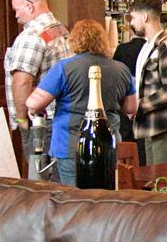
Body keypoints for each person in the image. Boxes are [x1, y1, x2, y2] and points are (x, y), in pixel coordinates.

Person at [25, 19, 137, 186]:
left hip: (70, 145)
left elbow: (33, 103)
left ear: (74, 41)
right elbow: (131, 107)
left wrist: (36, 110)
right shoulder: (121, 69)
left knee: (75, 197)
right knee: (105, 192)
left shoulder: (64, 68)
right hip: (109, 143)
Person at [5, 0, 70, 176]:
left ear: (30, 6)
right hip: (62, 116)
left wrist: (21, 118)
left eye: (17, 10)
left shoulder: (31, 35)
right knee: (59, 176)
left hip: (40, 122)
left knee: (40, 179)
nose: (16, 16)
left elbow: (22, 82)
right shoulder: (59, 29)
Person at [126, 0, 167, 166]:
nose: (132, 23)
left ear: (144, 17)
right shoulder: (149, 47)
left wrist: (139, 105)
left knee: (163, 179)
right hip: (151, 125)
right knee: (153, 178)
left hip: (164, 125)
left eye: (133, 18)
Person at [113, 32, 144, 144]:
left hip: (120, 121)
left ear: (131, 32)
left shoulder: (122, 49)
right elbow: (131, 108)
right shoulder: (152, 49)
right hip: (144, 117)